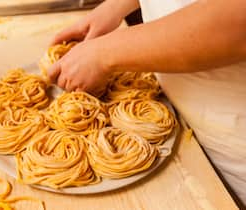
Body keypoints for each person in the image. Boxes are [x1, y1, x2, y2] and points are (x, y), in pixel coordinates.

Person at [47, 0, 246, 207]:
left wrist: (107, 52)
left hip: (234, 162)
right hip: (182, 130)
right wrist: (119, 5)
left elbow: (239, 20)